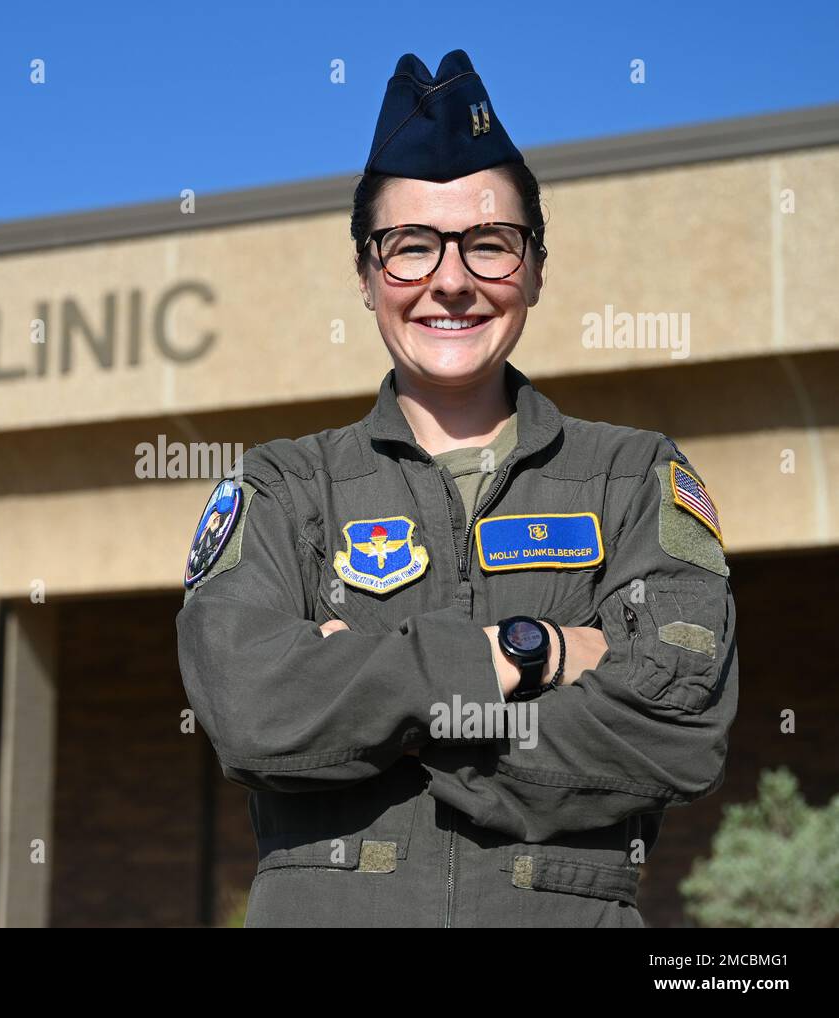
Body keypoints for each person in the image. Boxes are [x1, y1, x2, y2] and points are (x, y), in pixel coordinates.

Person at [176, 49, 738, 928]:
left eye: (489, 244)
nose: (450, 280)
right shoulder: (285, 487)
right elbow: (252, 713)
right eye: (410, 248)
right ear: (365, 278)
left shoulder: (632, 478)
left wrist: (376, 701)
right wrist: (530, 654)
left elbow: (676, 736)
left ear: (536, 270)